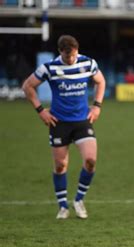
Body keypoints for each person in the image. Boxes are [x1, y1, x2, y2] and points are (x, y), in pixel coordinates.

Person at [22, 35, 106, 219]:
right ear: (60, 52)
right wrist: (41, 111)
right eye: (67, 57)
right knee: (60, 165)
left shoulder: (88, 63)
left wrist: (97, 106)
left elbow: (101, 81)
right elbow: (28, 86)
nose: (71, 59)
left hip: (82, 120)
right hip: (58, 123)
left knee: (91, 160)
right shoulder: (49, 67)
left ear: (77, 50)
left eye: (73, 55)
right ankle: (63, 206)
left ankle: (79, 200)